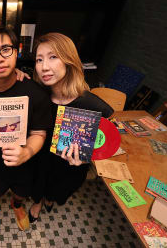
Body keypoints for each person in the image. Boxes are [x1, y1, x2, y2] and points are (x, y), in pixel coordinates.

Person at [0, 25, 52, 232]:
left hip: (25, 158)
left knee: (22, 190)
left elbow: (39, 132)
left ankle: (16, 205)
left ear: (17, 50)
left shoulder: (36, 93)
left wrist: (27, 151)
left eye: (5, 49)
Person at [28, 32, 114, 222]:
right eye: (39, 59)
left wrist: (87, 159)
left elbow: (109, 140)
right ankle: (38, 201)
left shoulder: (92, 104)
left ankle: (49, 199)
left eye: (53, 57)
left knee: (57, 191)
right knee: (37, 185)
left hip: (67, 167)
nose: (44, 67)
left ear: (69, 60)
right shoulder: (38, 95)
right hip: (40, 160)